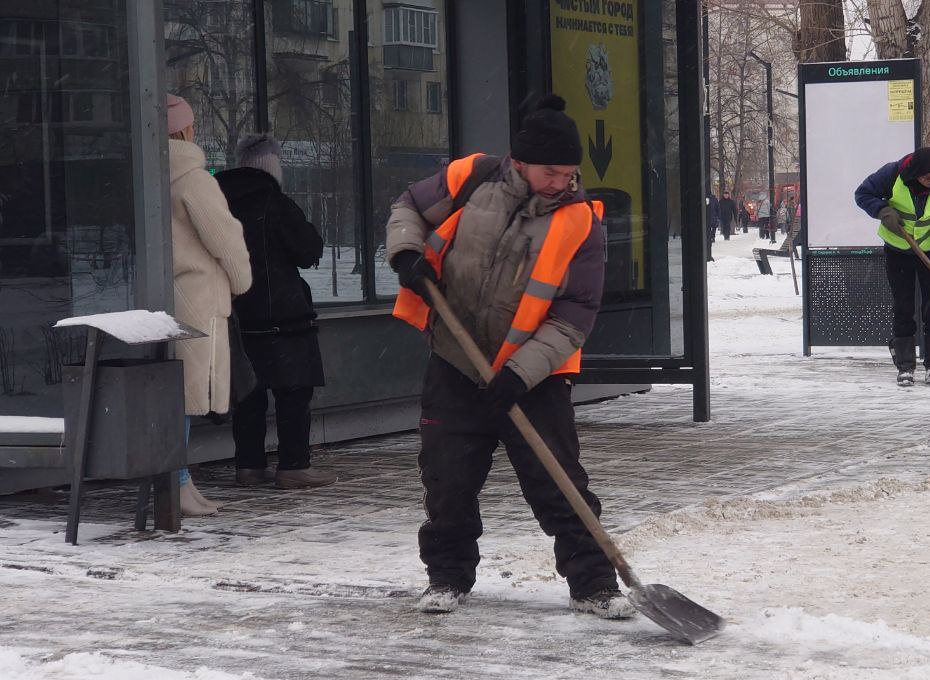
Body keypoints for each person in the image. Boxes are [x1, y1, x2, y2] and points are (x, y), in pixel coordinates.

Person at [384, 94, 632, 619]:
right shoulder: (471, 177)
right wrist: (406, 253)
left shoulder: (582, 222)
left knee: (558, 482)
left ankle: (594, 585)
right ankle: (447, 578)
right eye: (549, 172)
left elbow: (575, 315)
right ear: (519, 162)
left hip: (533, 378)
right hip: (455, 362)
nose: (560, 182)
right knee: (447, 481)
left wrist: (519, 374)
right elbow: (408, 206)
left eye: (568, 173)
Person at [215, 134, 335, 490]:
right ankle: (293, 465)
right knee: (293, 392)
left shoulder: (220, 202)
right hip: (283, 315)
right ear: (271, 167)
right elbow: (307, 250)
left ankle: (249, 465)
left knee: (249, 394)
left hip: (237, 315)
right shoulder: (276, 203)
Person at [166, 94, 253, 516]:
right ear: (186, 130)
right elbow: (225, 237)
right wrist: (241, 280)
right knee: (184, 396)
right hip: (198, 298)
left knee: (172, 393)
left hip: (165, 296)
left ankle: (182, 482)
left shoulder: (149, 175)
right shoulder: (194, 179)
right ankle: (178, 482)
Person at [855, 147, 930, 387]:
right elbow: (863, 194)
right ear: (915, 174)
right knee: (903, 306)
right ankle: (905, 366)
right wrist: (882, 210)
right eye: (928, 178)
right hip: (898, 251)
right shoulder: (892, 175)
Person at [704, 193, 718, 261]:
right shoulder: (706, 198)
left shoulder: (714, 199)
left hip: (713, 217)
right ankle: (711, 238)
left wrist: (718, 216)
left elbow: (717, 208)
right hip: (708, 218)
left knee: (713, 228)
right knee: (708, 230)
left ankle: (712, 237)